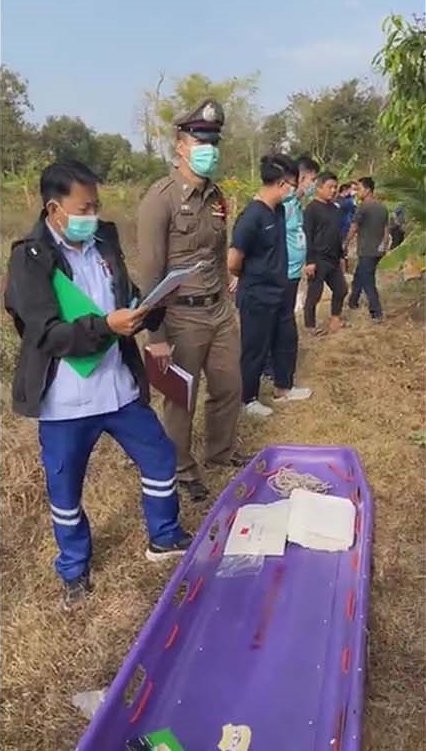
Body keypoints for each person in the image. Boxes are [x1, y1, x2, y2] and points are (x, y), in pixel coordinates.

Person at [4, 160, 192, 609]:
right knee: (65, 490)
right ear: (54, 210)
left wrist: (147, 305)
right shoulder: (30, 258)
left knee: (159, 457)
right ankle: (74, 568)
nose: (93, 214)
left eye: (96, 205)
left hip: (118, 388)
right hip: (66, 400)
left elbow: (121, 294)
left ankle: (164, 536)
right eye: (83, 208)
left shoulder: (104, 240)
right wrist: (107, 325)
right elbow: (46, 334)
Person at [136, 99, 245, 504]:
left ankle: (220, 451)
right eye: (201, 141)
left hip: (219, 310)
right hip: (180, 316)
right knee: (180, 399)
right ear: (180, 145)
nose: (209, 149)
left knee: (229, 386)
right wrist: (156, 336)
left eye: (214, 142)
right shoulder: (160, 199)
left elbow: (218, 254)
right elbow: (150, 274)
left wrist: (226, 300)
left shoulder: (217, 197)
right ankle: (182, 469)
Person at [227, 154, 299, 418]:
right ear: (281, 184)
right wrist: (251, 276)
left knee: (285, 339)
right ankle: (248, 399)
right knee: (255, 348)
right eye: (292, 185)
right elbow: (233, 261)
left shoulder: (277, 211)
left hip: (279, 291)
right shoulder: (251, 216)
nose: (293, 191)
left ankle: (283, 388)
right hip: (257, 294)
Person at [263, 154, 320, 400]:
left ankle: (276, 373)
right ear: (302, 177)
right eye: (312, 180)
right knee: (281, 328)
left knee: (282, 326)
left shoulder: (296, 205)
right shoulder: (283, 206)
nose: (313, 185)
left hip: (293, 274)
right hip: (282, 275)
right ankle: (274, 375)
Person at [303, 171, 348, 334]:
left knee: (341, 289)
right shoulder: (311, 209)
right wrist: (310, 261)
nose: (334, 190)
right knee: (314, 294)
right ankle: (310, 326)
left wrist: (341, 256)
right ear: (319, 187)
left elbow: (336, 234)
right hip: (318, 258)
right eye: (330, 187)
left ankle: (335, 319)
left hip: (333, 259)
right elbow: (307, 236)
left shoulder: (335, 208)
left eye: (335, 187)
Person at [345, 177, 389, 322]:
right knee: (359, 275)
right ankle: (353, 302)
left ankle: (376, 313)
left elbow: (353, 227)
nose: (357, 192)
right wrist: (384, 246)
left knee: (368, 281)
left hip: (366, 250)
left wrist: (345, 243)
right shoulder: (382, 208)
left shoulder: (363, 207)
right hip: (378, 250)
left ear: (368, 190)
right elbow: (386, 230)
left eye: (359, 189)